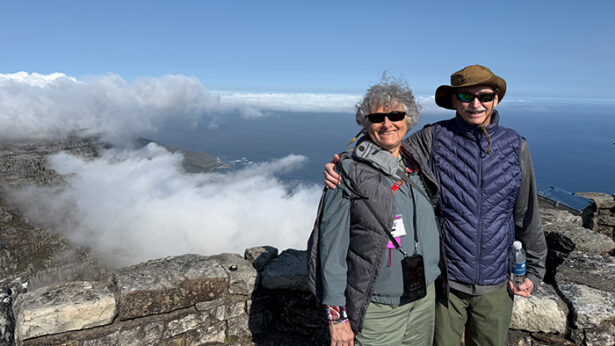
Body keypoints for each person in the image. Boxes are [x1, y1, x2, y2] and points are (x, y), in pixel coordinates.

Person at [323, 65, 547, 346]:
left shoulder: (516, 145)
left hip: (496, 282)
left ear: (496, 99)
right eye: (465, 97)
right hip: (446, 285)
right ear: (454, 101)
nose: (475, 104)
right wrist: (342, 163)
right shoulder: (433, 138)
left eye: (485, 96)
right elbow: (386, 143)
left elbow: (526, 213)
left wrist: (535, 271)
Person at [307, 77, 442, 346]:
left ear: (408, 118)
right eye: (377, 117)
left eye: (395, 115)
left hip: (423, 300)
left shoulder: (416, 162)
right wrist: (337, 318)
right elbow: (331, 251)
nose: (387, 123)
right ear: (365, 122)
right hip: (378, 310)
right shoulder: (348, 174)